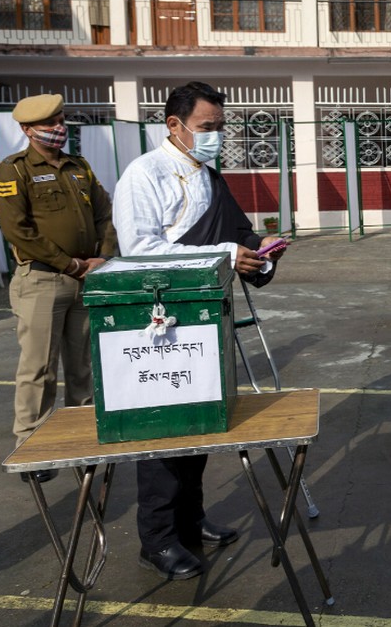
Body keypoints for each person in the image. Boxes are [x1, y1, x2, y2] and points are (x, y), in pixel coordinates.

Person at [114, 81, 287, 581]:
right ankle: (158, 538)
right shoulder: (143, 176)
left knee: (202, 420)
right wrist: (227, 254)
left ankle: (191, 518)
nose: (215, 136)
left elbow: (237, 234)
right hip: (159, 322)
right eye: (207, 128)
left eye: (219, 127)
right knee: (165, 426)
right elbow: (138, 250)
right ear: (174, 125)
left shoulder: (210, 175)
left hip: (207, 314)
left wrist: (261, 250)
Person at [0, 94, 116, 481]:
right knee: (39, 367)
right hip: (43, 280)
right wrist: (69, 263)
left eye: (61, 120)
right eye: (50, 123)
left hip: (85, 277)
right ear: (27, 130)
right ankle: (33, 445)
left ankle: (82, 438)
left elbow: (104, 214)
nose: (59, 128)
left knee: (83, 366)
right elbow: (18, 232)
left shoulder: (80, 167)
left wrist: (103, 257)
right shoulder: (12, 172)